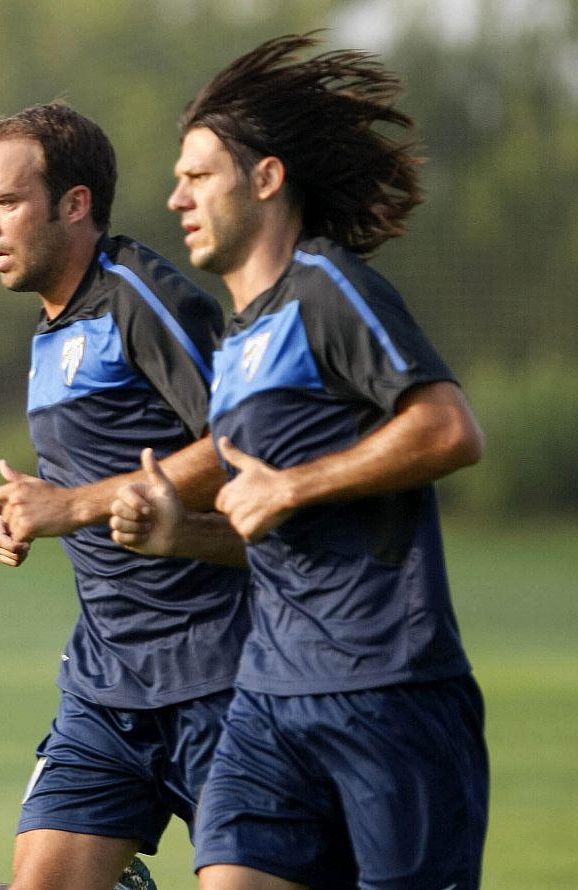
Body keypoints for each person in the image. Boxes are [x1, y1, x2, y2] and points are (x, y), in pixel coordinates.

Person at [114, 33, 488, 889]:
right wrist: (183, 533)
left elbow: (448, 428)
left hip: (391, 693)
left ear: (267, 179)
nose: (176, 198)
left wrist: (296, 482)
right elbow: (277, 530)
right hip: (269, 696)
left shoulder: (325, 285)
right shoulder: (241, 340)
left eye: (199, 175)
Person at [0, 103, 250, 890]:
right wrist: (31, 511)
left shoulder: (138, 294)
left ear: (76, 203)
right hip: (105, 684)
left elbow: (240, 444)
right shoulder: (51, 327)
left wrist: (72, 507)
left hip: (221, 674)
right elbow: (105, 474)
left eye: (7, 203)